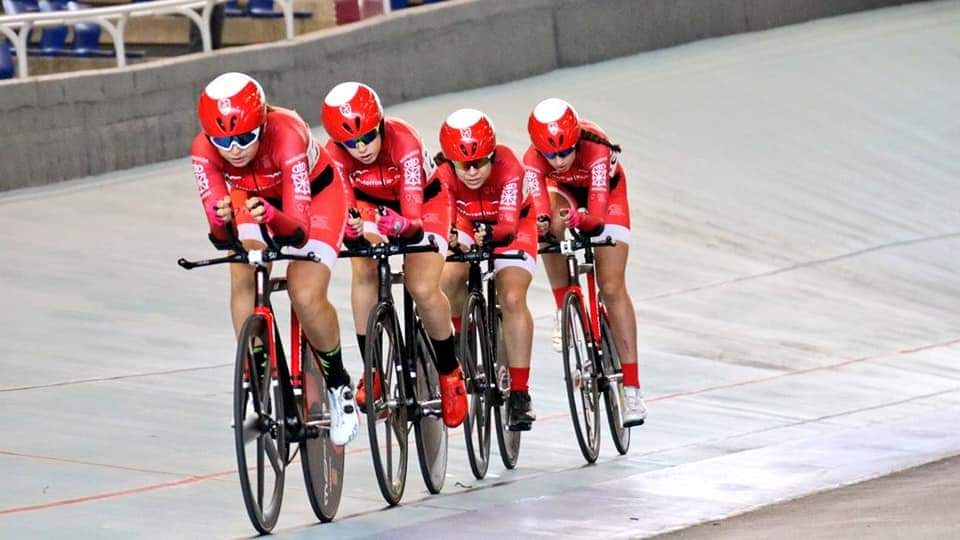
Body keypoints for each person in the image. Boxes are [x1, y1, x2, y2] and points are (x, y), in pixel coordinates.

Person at [191, 72, 359, 444]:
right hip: (254, 202)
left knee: (305, 292)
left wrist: (270, 216)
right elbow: (221, 239)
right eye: (222, 141)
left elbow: (297, 229)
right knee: (243, 275)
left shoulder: (286, 133)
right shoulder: (203, 151)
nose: (233, 149)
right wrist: (222, 223)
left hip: (315, 201)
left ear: (263, 123)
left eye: (244, 137)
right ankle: (259, 384)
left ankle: (338, 386)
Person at [320, 81, 467, 428]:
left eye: (368, 137)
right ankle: (371, 371)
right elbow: (341, 205)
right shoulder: (334, 154)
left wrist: (402, 227)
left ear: (381, 124)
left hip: (425, 205)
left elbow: (414, 220)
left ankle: (450, 372)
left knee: (422, 287)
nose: (361, 148)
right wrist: (352, 231)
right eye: (351, 143)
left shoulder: (404, 142)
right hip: (373, 206)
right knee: (364, 270)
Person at [524, 98, 647, 427]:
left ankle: (633, 388)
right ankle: (565, 304)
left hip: (605, 197)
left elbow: (595, 215)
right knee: (547, 228)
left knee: (611, 286)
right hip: (563, 194)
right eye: (551, 154)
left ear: (577, 140)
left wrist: (581, 220)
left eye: (566, 151)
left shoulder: (596, 149)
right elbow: (537, 207)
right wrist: (539, 223)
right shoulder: (533, 161)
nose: (560, 159)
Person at [435, 109, 538, 431]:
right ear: (451, 161)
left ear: (492, 155)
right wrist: (452, 238)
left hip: (514, 224)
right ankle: (458, 341)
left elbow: (507, 224)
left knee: (511, 296)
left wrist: (492, 238)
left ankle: (521, 393)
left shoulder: (509, 166)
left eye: (480, 162)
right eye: (463, 165)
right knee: (449, 277)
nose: (472, 172)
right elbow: (447, 217)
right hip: (468, 220)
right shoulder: (443, 173)